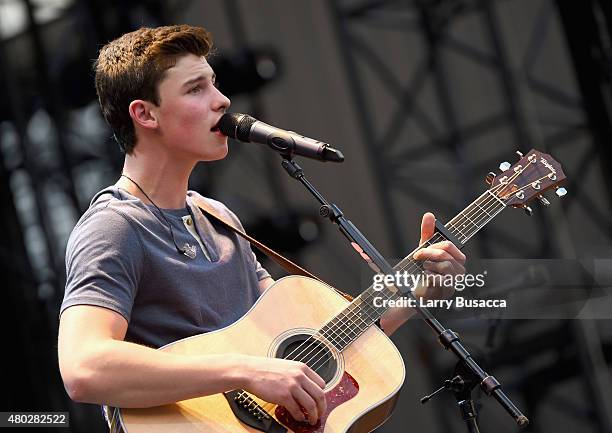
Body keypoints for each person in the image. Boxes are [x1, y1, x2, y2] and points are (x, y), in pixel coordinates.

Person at [57, 25, 466, 427]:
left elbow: (310, 347)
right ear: (145, 114)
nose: (222, 101)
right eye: (196, 89)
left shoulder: (218, 219)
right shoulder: (114, 226)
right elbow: (83, 367)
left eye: (214, 84)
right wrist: (245, 371)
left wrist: (411, 294)